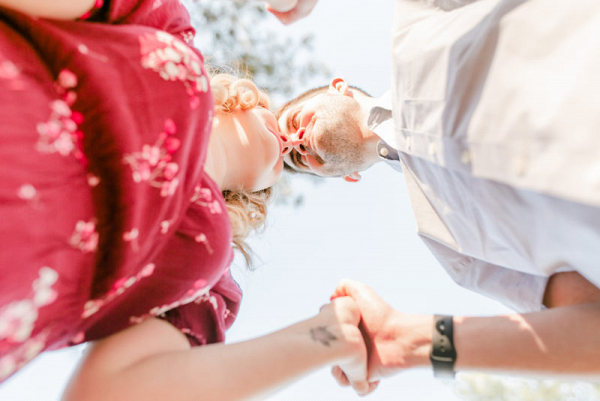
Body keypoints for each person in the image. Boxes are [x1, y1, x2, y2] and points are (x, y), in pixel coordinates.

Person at [0, 0, 373, 399]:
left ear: (255, 195)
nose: (293, 143)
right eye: (294, 122)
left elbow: (106, 392)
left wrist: (329, 337)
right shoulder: (167, 34)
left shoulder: (208, 276)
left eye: (300, 158)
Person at [276, 0, 600, 393]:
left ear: (338, 87)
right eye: (297, 158)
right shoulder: (449, 245)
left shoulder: (421, 21)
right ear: (349, 178)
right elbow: (590, 324)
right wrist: (407, 341)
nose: (295, 142)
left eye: (292, 123)